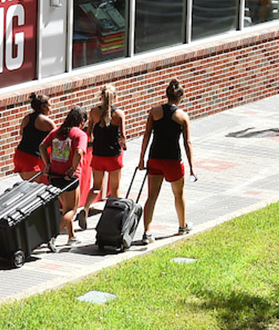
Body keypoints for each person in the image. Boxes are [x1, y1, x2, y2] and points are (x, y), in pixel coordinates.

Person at [137, 79, 197, 245]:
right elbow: (187, 143)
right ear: (180, 98)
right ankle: (182, 225)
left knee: (151, 197)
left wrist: (141, 159)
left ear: (167, 95)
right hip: (173, 160)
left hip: (155, 157)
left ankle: (147, 233)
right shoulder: (182, 116)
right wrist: (192, 167)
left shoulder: (154, 111)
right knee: (178, 194)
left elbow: (147, 135)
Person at [76, 84, 128, 230]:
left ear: (101, 97)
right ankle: (111, 217)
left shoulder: (93, 112)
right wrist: (124, 145)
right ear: (115, 97)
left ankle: (85, 209)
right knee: (114, 188)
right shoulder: (119, 115)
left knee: (96, 187)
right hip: (113, 156)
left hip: (98, 155)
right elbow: (122, 137)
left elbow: (89, 134)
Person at [39, 106, 88, 245]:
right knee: (72, 209)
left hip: (54, 175)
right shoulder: (79, 134)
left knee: (66, 207)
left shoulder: (56, 131)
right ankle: (52, 236)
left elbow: (42, 146)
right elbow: (79, 152)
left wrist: (47, 163)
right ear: (82, 121)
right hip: (69, 177)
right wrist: (73, 168)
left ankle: (71, 236)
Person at [13, 93, 56, 182]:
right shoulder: (47, 122)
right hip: (32, 159)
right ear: (43, 107)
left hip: (20, 155)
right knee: (39, 189)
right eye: (50, 106)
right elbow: (58, 139)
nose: (51, 109)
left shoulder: (26, 118)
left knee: (28, 188)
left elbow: (21, 132)